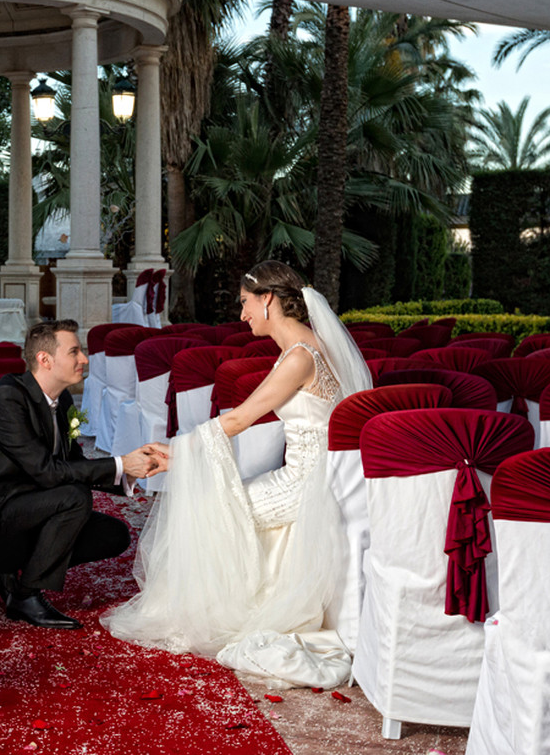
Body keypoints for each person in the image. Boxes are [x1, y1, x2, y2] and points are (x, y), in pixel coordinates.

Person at [101, 261, 372, 687]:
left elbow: (240, 419)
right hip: (316, 477)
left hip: (307, 485)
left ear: (268, 300)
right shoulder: (307, 346)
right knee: (228, 497)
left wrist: (179, 453)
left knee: (213, 507)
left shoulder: (300, 357)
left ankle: (235, 611)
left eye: (245, 303)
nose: (242, 314)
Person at [0, 319, 162, 630]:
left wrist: (131, 471)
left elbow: (72, 462)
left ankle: (4, 569)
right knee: (74, 498)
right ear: (44, 360)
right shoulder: (8, 396)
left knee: (114, 535)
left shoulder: (60, 400)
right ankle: (24, 595)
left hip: (28, 506)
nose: (84, 359)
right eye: (74, 352)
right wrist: (120, 464)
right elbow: (46, 472)